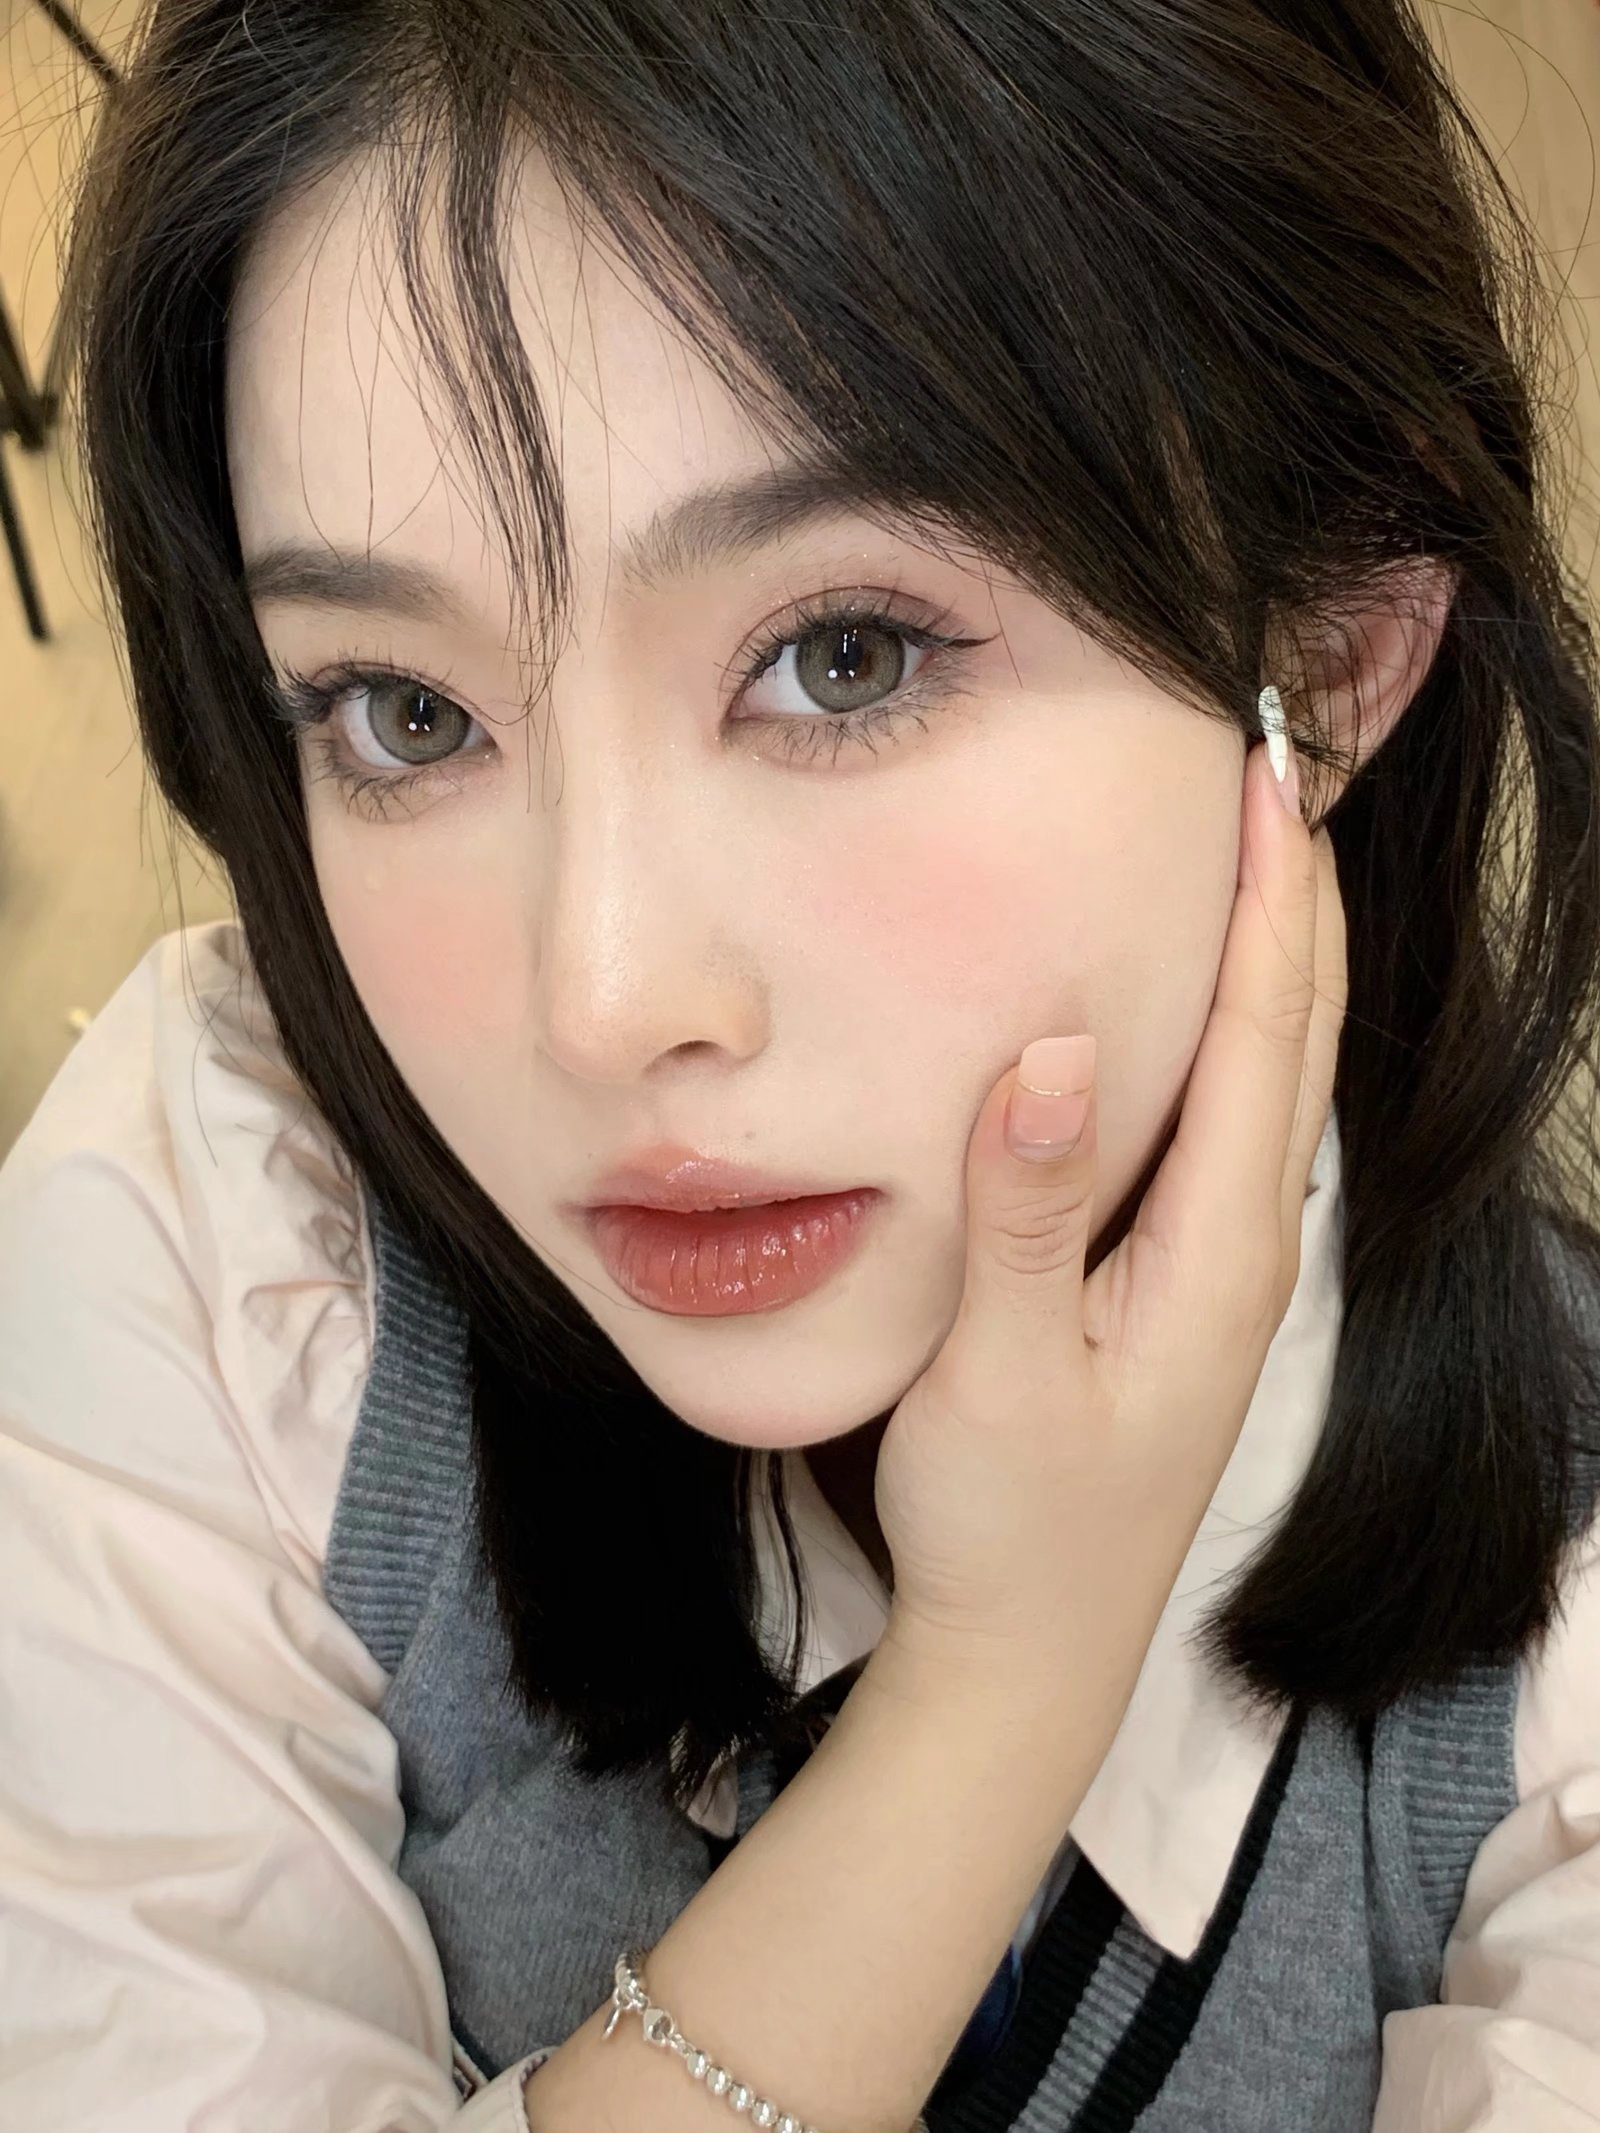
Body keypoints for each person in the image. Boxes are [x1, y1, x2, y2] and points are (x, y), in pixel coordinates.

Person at [2, 2, 1599, 2127]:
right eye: (402, 709)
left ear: (1325, 647)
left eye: (843, 658)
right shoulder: (235, 1238)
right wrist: (992, 1694)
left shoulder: (1558, 1641)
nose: (600, 999)